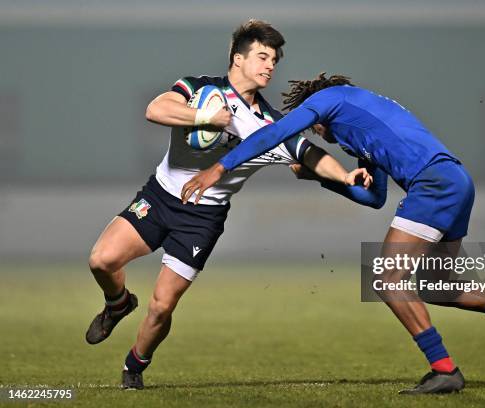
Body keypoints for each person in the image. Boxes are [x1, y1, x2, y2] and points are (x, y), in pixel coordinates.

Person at [181, 73, 485, 394]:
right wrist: (321, 178)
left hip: (433, 184)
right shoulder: (357, 130)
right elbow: (374, 197)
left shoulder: (329, 99)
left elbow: (275, 133)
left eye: (313, 123)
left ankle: (445, 370)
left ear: (315, 106)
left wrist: (219, 168)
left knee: (386, 277)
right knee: (434, 285)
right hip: (454, 181)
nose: (315, 130)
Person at [85, 25, 368, 390]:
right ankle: (118, 303)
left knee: (161, 307)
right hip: (160, 197)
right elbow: (156, 109)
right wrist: (206, 117)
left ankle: (134, 366)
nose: (270, 66)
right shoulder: (201, 89)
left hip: (202, 220)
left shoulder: (270, 124)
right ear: (238, 58)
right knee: (101, 260)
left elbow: (307, 155)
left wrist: (345, 177)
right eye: (262, 57)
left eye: (274, 60)